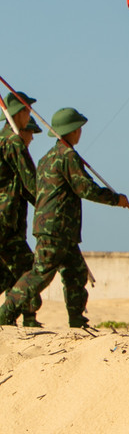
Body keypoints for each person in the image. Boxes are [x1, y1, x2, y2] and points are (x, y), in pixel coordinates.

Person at [0, 108, 129, 328]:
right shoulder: (67, 156)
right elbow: (85, 188)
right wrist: (116, 200)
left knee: (76, 272)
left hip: (61, 229)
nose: (80, 133)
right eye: (78, 129)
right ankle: (5, 313)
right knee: (39, 274)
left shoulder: (46, 158)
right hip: (56, 228)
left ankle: (77, 318)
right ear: (72, 131)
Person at [0, 93, 41, 326]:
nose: (30, 116)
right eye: (27, 111)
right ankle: (20, 318)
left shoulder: (3, 139)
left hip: (9, 220)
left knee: (9, 273)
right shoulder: (13, 142)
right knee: (27, 269)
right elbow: (31, 183)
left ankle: (17, 318)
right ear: (16, 113)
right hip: (5, 220)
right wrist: (49, 208)